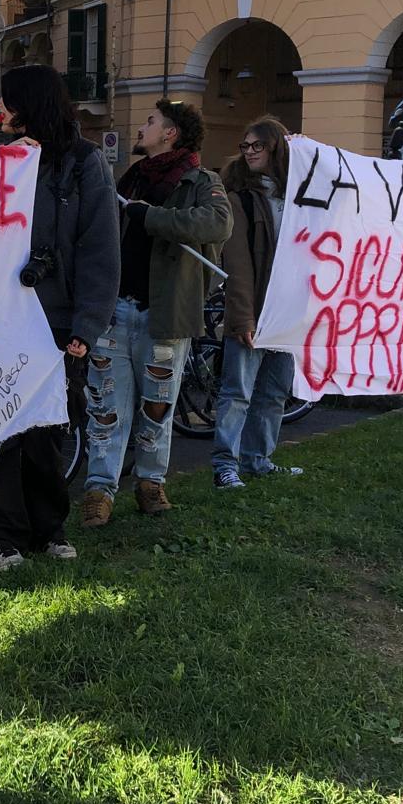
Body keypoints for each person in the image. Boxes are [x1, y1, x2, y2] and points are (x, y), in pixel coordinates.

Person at [0, 64, 119, 571]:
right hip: (2, 319)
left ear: (31, 105)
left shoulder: (84, 164)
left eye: (7, 100)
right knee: (2, 432)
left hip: (57, 323)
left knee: (47, 431)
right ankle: (1, 537)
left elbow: (100, 247)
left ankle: (48, 530)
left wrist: (87, 325)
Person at [81, 99, 230, 524]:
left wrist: (153, 217)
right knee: (105, 407)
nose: (141, 127)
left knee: (158, 406)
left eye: (150, 122)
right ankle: (99, 491)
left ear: (171, 133)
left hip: (165, 315)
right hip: (113, 310)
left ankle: (151, 484)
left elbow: (218, 224)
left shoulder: (201, 181)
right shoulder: (128, 179)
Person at [210, 116, 303, 489]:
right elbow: (239, 267)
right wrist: (243, 319)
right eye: (245, 146)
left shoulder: (298, 195)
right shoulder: (241, 200)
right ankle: (225, 466)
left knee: (274, 391)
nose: (248, 152)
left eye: (257, 146)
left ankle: (257, 459)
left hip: (288, 314)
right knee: (238, 393)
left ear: (276, 149)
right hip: (255, 312)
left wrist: (306, 149)